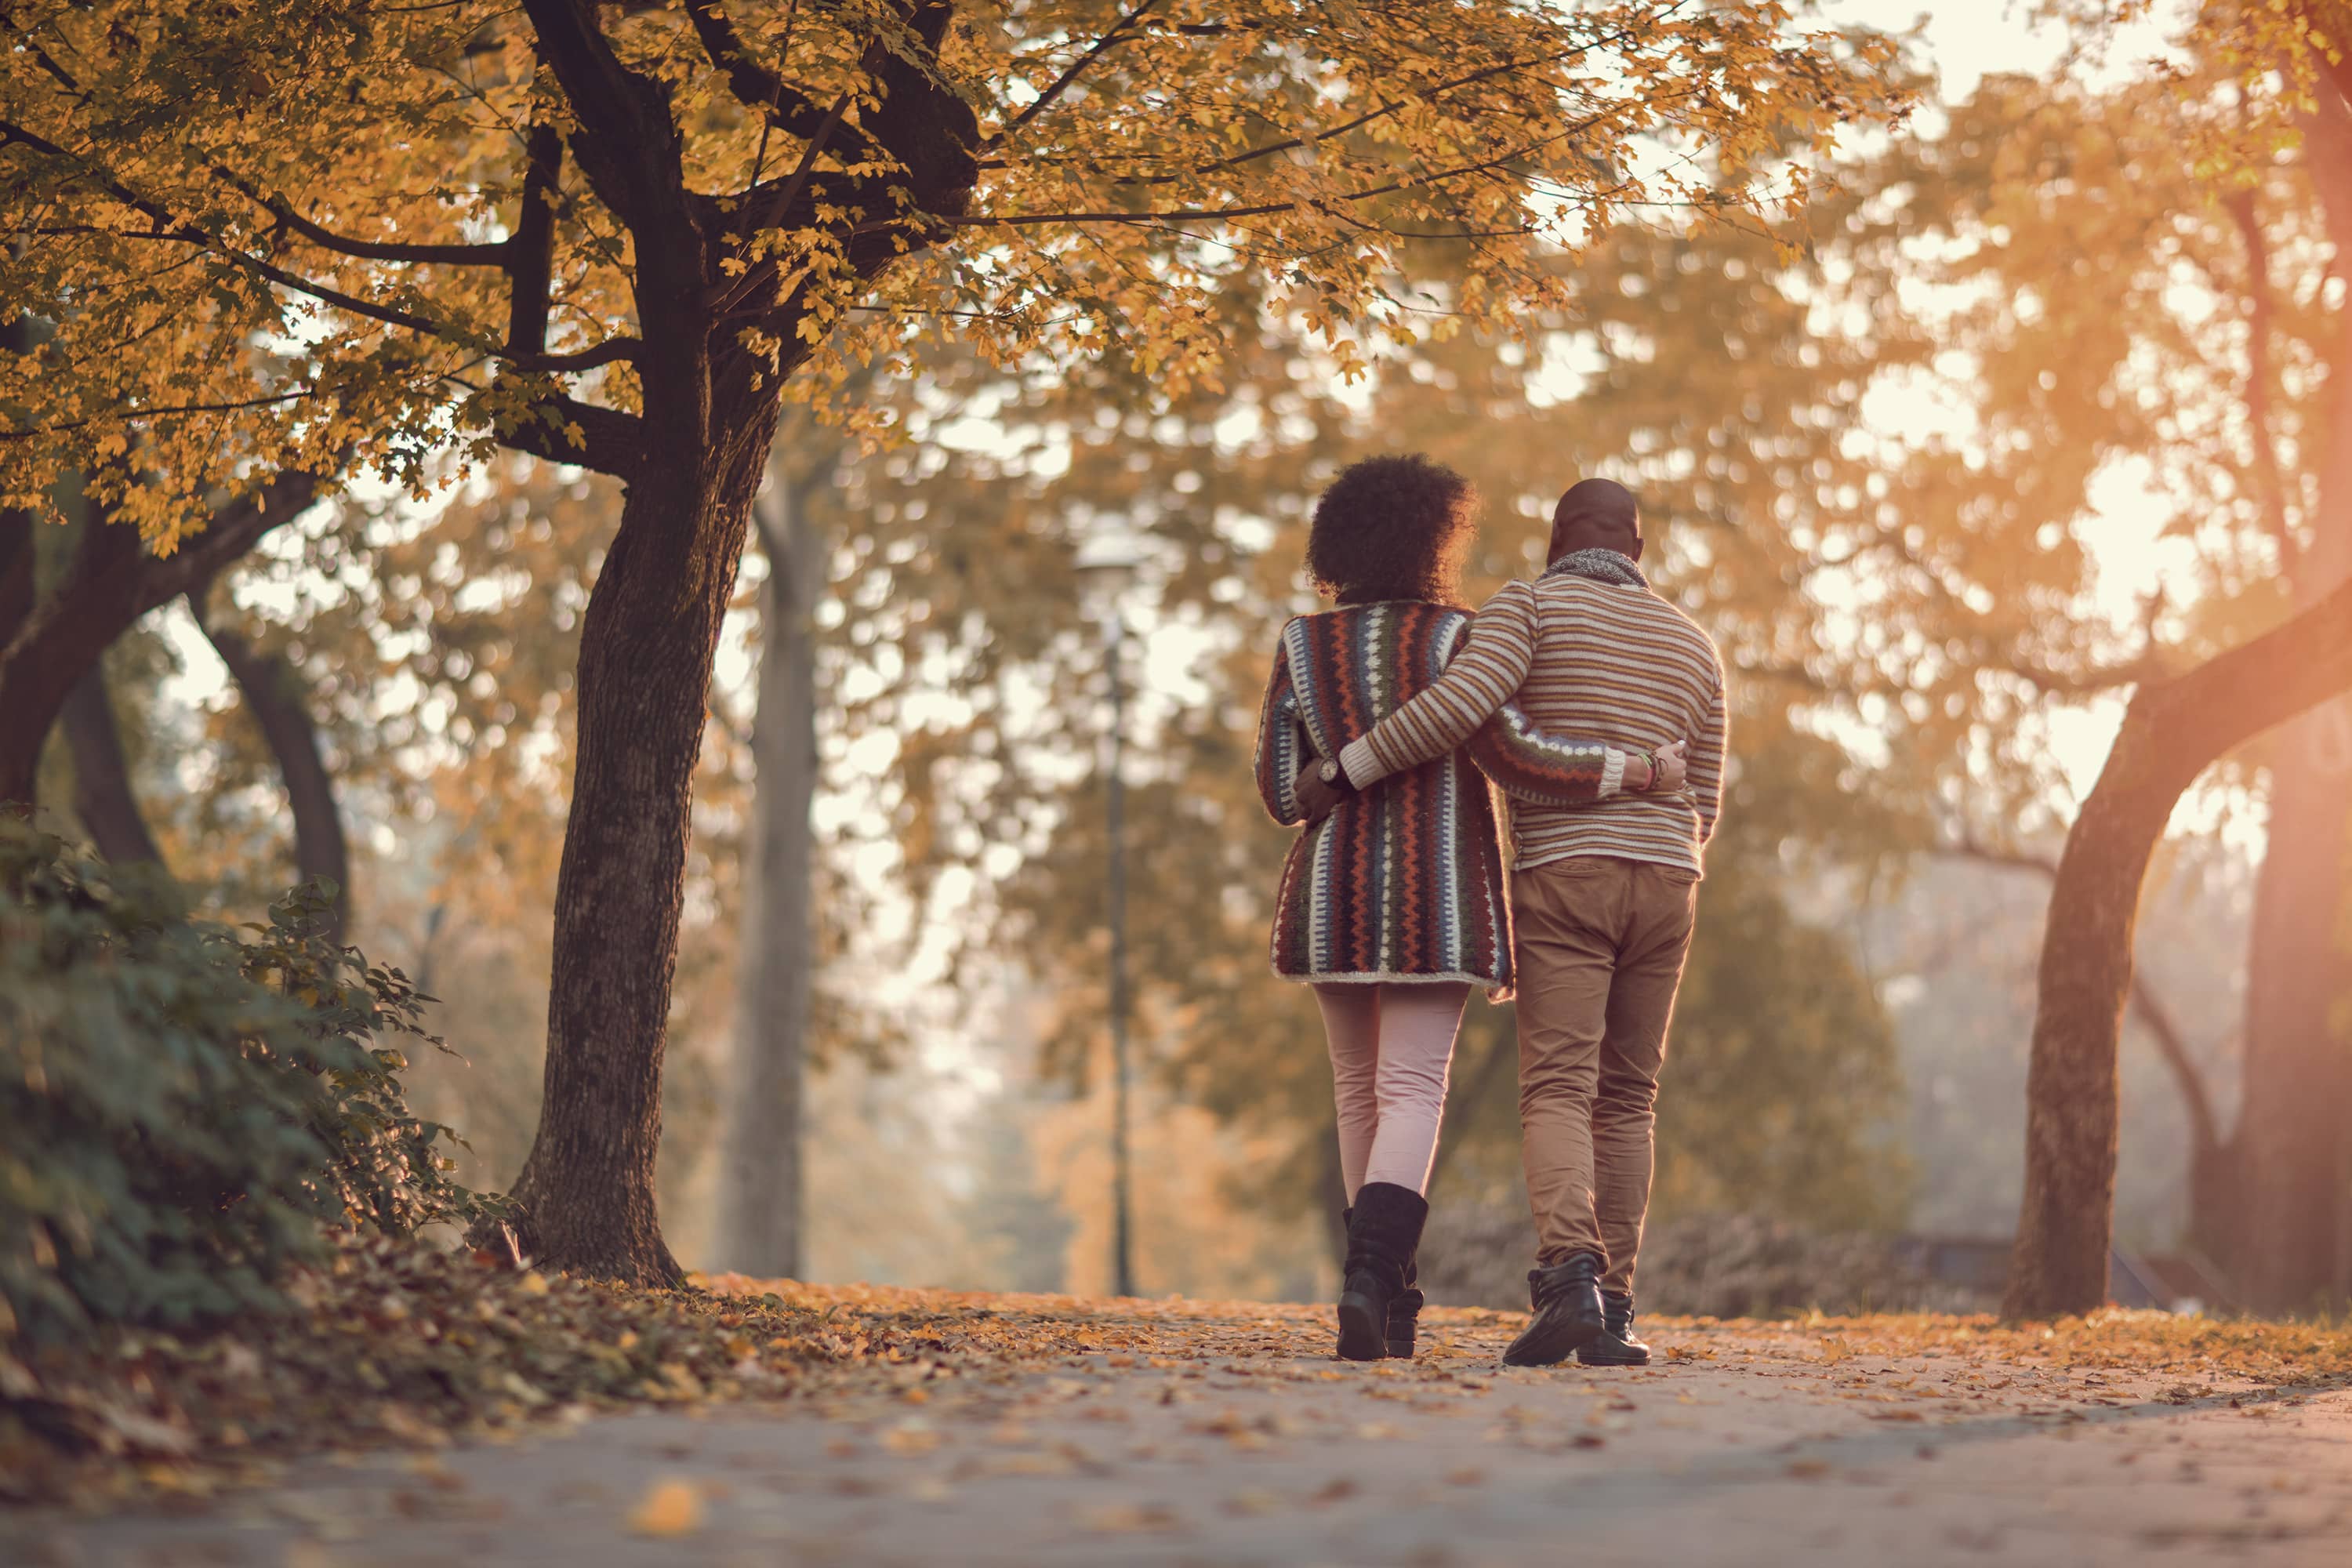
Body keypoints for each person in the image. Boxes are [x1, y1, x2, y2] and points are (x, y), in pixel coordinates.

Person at [1254, 457, 1679, 1362]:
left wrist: (1329, 776)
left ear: (1337, 546)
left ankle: (1387, 1295)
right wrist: (1628, 769)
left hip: (1332, 896)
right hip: (1433, 898)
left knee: (1357, 1087)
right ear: (1435, 538)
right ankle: (1374, 1277)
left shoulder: (1301, 645)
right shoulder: (1459, 636)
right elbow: (1516, 754)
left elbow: (1279, 793)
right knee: (1413, 1086)